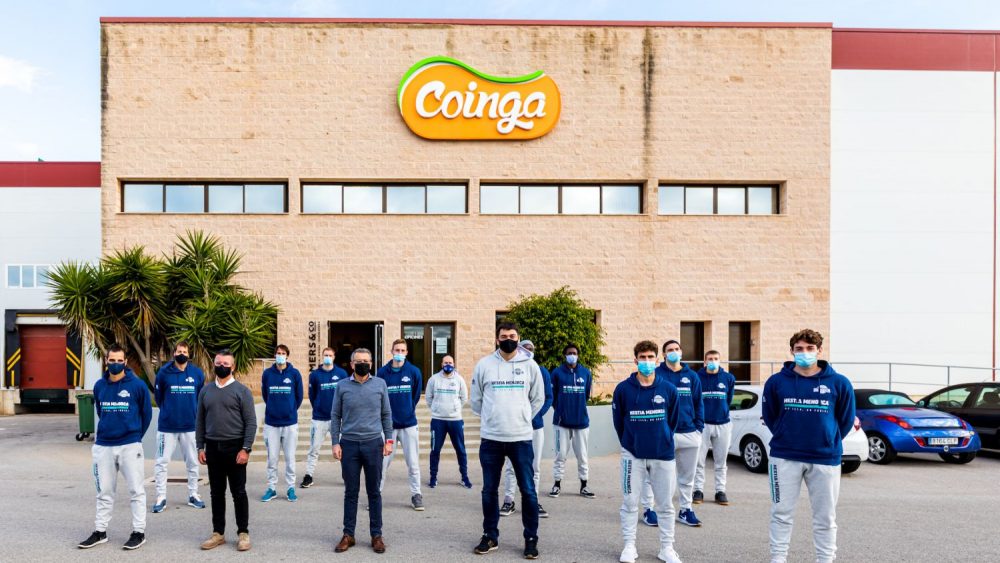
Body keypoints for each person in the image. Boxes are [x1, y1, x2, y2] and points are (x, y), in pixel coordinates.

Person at [763, 329, 855, 563]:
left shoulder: (839, 383)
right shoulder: (776, 382)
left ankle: (825, 560)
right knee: (781, 513)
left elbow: (844, 421)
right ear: (792, 351)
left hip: (825, 458)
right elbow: (771, 416)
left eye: (810, 349)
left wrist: (826, 439)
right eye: (799, 349)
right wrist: (787, 436)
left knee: (825, 517)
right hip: (784, 456)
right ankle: (778, 558)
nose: (805, 353)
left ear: (820, 351)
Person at [470, 321, 545, 559]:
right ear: (496, 339)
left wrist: (522, 418)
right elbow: (476, 400)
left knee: (528, 491)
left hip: (521, 438)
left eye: (512, 335)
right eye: (504, 336)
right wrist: (492, 419)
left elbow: (538, 399)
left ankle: (530, 538)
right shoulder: (484, 365)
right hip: (491, 438)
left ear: (518, 337)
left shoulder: (530, 365)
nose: (508, 339)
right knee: (489, 490)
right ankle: (490, 535)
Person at [77, 344, 153, 551]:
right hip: (104, 446)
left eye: (120, 360)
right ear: (106, 361)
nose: (116, 364)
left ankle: (139, 532)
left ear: (125, 362)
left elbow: (146, 415)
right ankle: (100, 531)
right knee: (104, 491)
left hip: (130, 445)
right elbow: (101, 411)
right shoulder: (100, 386)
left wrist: (134, 435)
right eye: (112, 360)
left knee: (136, 490)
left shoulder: (137, 386)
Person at [613, 340, 682, 563]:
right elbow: (619, 423)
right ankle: (629, 546)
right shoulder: (623, 389)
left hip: (663, 454)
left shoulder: (669, 389)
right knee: (630, 502)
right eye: (642, 358)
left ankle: (666, 548)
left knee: (665, 505)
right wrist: (629, 443)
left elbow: (672, 421)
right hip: (632, 454)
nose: (646, 362)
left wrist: (660, 440)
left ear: (657, 360)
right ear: (635, 360)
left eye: (650, 357)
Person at [331, 348, 394, 554]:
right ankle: (348, 534)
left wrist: (389, 440)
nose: (363, 364)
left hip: (373, 444)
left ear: (372, 363)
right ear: (351, 364)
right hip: (349, 444)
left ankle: (376, 535)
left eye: (366, 361)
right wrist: (335, 442)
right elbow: (335, 416)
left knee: (374, 492)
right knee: (351, 492)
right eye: (359, 361)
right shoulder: (342, 386)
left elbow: (386, 414)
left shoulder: (380, 384)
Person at [197, 350, 257, 552]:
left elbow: (251, 422)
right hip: (213, 448)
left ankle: (243, 533)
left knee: (238, 492)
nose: (221, 366)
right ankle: (218, 533)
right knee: (216, 493)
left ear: (233, 367)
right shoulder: (206, 391)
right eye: (218, 362)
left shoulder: (242, 391)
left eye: (226, 363)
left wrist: (245, 449)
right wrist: (200, 446)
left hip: (235, 448)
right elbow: (200, 422)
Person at [641, 339, 704, 528]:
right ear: (664, 354)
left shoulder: (692, 376)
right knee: (653, 475)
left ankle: (685, 510)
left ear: (682, 352)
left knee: (687, 476)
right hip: (662, 434)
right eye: (670, 350)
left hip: (689, 433)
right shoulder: (657, 374)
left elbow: (698, 403)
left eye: (677, 349)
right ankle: (649, 509)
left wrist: (698, 429)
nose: (674, 352)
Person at [501, 339, 552, 518]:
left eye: (531, 348)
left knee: (534, 465)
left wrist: (534, 415)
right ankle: (509, 500)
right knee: (511, 465)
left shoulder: (541, 371)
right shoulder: (511, 369)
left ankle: (533, 500)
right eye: (525, 348)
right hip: (513, 426)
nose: (528, 350)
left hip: (535, 426)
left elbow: (548, 397)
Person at [152, 341, 206, 513]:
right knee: (161, 463)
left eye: (185, 351)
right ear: (174, 353)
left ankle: (193, 495)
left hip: (190, 427)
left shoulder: (197, 373)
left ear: (189, 354)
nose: (182, 353)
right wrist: (169, 411)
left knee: (192, 463)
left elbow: (200, 397)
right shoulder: (163, 373)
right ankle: (161, 497)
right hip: (167, 427)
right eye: (179, 351)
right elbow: (159, 398)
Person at [376, 338, 424, 511]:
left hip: (409, 425)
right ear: (391, 350)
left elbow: (416, 396)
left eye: (402, 350)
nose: (399, 353)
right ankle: (376, 495)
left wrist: (407, 410)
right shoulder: (382, 373)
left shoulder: (413, 371)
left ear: (407, 352)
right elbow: (379, 397)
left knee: (413, 463)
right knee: (382, 463)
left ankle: (416, 495)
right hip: (388, 428)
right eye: (397, 350)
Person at [548, 343, 594, 499]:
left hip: (581, 422)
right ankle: (557, 484)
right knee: (560, 455)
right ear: (564, 355)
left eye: (574, 352)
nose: (572, 355)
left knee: (582, 455)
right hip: (561, 423)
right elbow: (552, 396)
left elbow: (586, 395)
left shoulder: (586, 373)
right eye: (569, 353)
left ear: (578, 355)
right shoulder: (557, 373)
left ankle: (584, 485)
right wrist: (561, 410)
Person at [260, 344, 303, 502]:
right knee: (272, 458)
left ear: (287, 356)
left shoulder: (294, 374)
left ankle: (290, 488)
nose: (280, 355)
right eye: (278, 353)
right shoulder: (267, 374)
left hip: (290, 423)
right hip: (271, 423)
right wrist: (274, 409)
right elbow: (265, 395)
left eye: (283, 353)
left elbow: (299, 397)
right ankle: (271, 488)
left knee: (290, 458)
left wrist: (290, 410)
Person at [693, 350, 736, 506]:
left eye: (716, 359)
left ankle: (720, 491)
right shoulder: (697, 377)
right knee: (699, 461)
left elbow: (728, 399)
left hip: (723, 424)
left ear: (720, 360)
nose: (713, 361)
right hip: (703, 424)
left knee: (721, 461)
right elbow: (695, 400)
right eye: (710, 359)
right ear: (704, 361)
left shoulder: (728, 378)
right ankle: (698, 490)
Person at [302, 347, 348, 489]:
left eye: (330, 355)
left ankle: (347, 476)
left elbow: (346, 394)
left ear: (334, 357)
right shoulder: (315, 375)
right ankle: (309, 475)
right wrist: (318, 407)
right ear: (322, 357)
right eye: (325, 355)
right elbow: (312, 395)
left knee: (344, 449)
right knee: (314, 449)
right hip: (319, 419)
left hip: (338, 419)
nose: (327, 357)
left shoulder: (341, 373)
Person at [425, 355, 472, 489]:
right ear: (441, 364)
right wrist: (436, 409)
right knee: (435, 450)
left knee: (461, 450)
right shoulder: (434, 379)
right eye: (446, 362)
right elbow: (428, 398)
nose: (448, 365)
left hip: (455, 420)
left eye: (450, 362)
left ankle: (464, 477)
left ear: (454, 364)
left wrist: (455, 409)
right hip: (438, 420)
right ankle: (433, 478)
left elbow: (464, 398)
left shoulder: (459, 379)